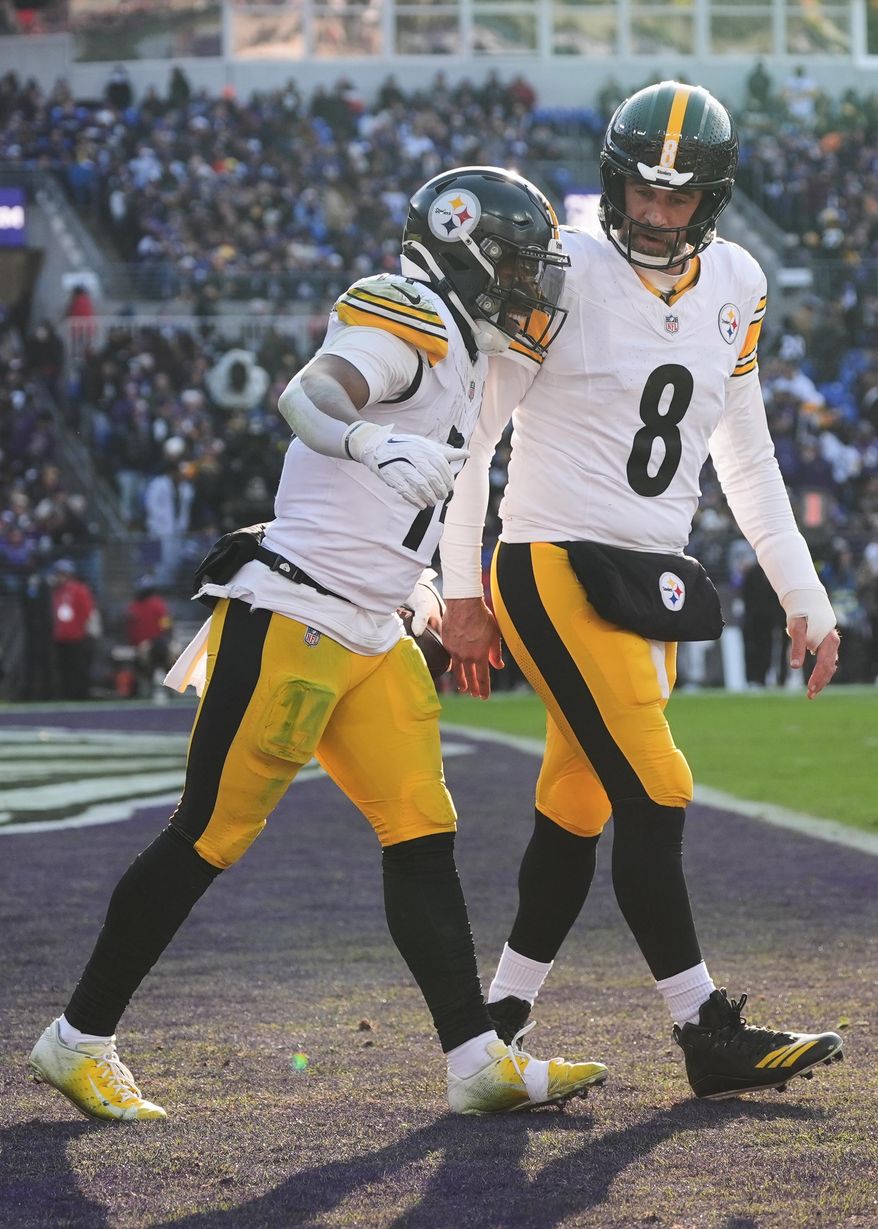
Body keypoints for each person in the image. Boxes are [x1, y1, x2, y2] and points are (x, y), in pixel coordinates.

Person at [29, 166, 606, 1122]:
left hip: (373, 629)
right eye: (509, 260)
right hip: (296, 615)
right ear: (463, 249)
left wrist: (421, 582)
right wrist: (368, 444)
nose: (525, 282)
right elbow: (310, 394)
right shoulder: (409, 311)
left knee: (423, 833)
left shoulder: (465, 346)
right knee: (206, 836)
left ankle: (474, 1058)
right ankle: (77, 1038)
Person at [439, 83, 845, 1101]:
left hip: (645, 580)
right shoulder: (557, 267)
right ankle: (704, 1028)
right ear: (615, 184)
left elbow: (742, 452)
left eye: (677, 198)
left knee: (575, 802)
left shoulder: (738, 279)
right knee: (656, 788)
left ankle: (497, 1020)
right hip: (546, 559)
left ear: (709, 199)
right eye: (641, 193)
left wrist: (805, 591)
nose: (655, 214)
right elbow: (473, 439)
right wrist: (455, 590)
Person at [50, 559, 96, 701]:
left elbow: (86, 612)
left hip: (77, 636)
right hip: (61, 637)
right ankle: (66, 694)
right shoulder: (57, 592)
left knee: (78, 668)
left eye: (62, 574)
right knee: (64, 668)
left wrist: (79, 628)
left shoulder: (79, 590)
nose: (59, 577)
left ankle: (80, 695)